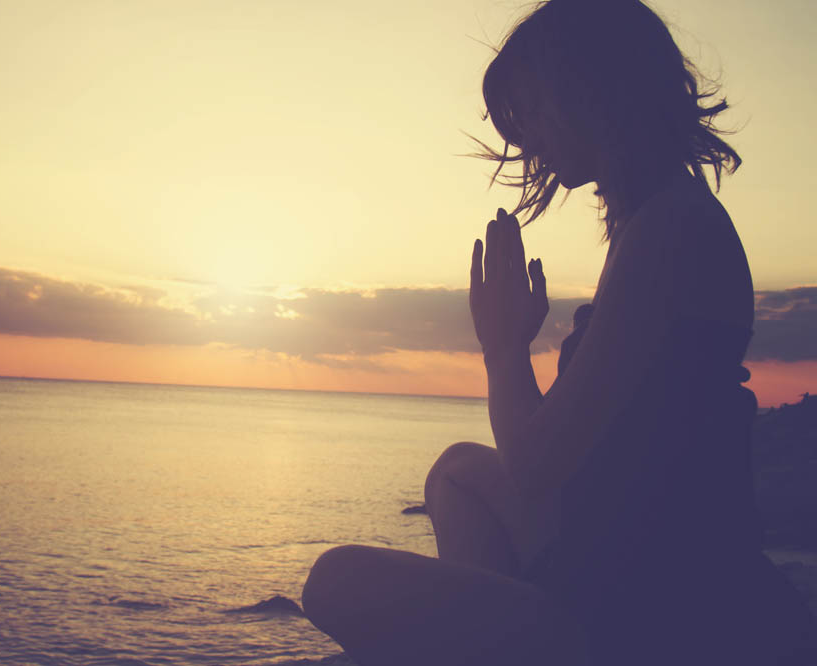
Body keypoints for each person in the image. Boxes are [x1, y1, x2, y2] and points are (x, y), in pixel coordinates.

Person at [300, 1, 816, 664]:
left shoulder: (669, 232)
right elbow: (588, 461)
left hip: (655, 606)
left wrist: (505, 347)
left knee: (334, 580)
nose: (526, 139)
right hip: (623, 552)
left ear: (592, 90)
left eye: (533, 109)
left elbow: (540, 468)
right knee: (457, 472)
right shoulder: (655, 220)